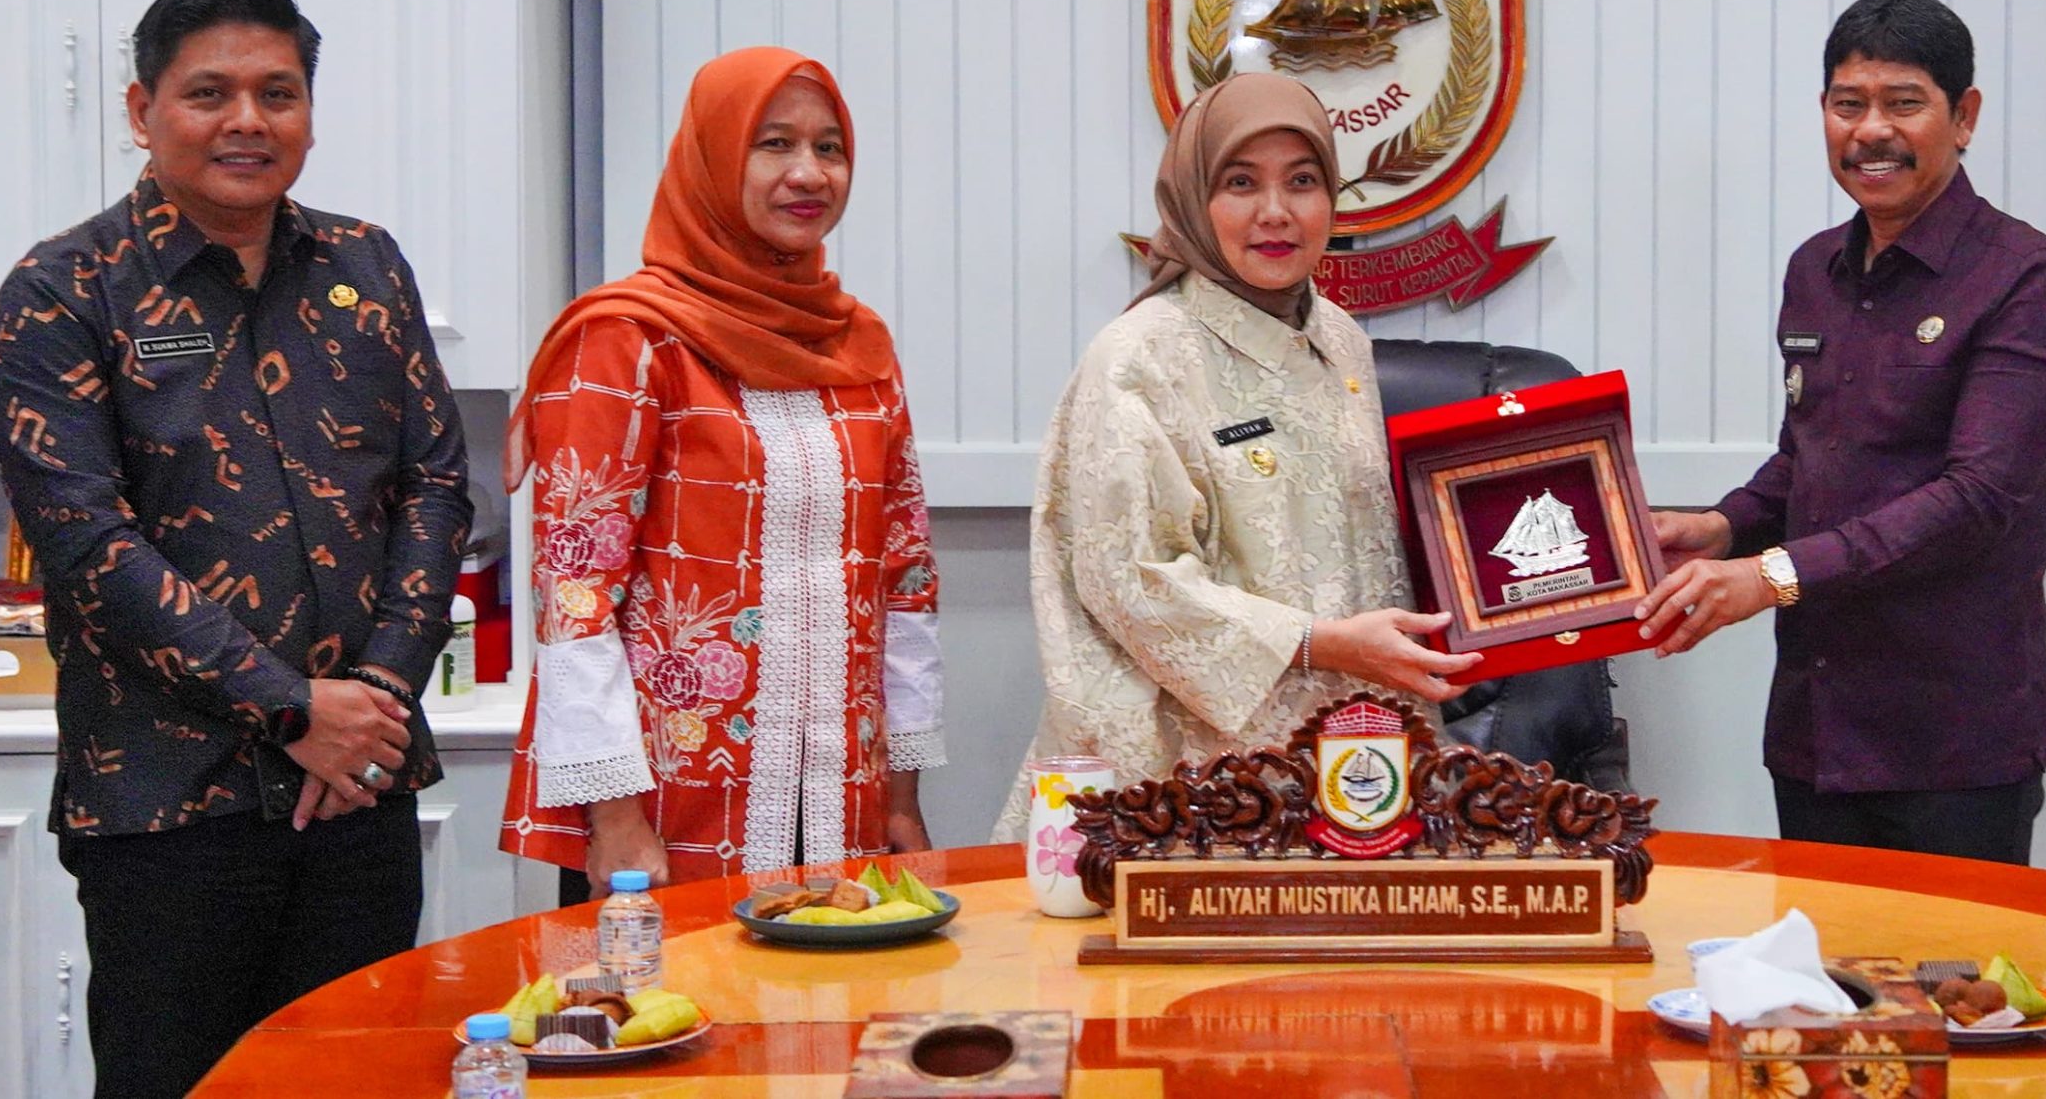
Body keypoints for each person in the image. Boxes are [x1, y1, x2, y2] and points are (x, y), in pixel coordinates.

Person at [0, 0, 469, 1099]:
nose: (248, 120)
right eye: (209, 92)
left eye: (278, 92)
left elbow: (437, 485)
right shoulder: (63, 290)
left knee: (365, 1086)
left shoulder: (365, 265)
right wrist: (296, 709)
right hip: (170, 805)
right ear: (141, 108)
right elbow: (88, 544)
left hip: (362, 790)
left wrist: (375, 700)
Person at [1636, 0, 2046, 866]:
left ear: (1964, 116)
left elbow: (1980, 498)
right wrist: (1723, 526)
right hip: (1816, 724)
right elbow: (1808, 456)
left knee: (1952, 961)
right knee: (1820, 956)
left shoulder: (2024, 278)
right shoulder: (1815, 270)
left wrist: (1772, 574)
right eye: (1849, 105)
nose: (1871, 131)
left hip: (1956, 743)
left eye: (1903, 103)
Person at [501, 47, 941, 896]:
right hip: (664, 814)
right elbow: (576, 597)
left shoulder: (858, 348)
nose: (809, 173)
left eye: (830, 147)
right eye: (773, 144)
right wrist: (615, 819)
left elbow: (906, 579)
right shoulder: (629, 339)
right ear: (711, 159)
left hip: (840, 798)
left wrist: (900, 794)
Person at [997, 72, 1479, 835]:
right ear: (1193, 198)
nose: (1276, 212)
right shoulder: (1139, 357)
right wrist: (1321, 645)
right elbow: (1133, 582)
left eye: (1303, 181)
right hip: (1191, 785)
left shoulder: (1341, 339)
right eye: (1241, 183)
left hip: (1356, 763)